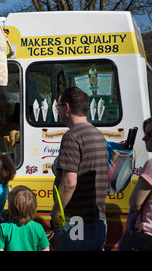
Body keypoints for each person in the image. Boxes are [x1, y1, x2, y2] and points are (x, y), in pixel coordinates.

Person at [50, 87, 108, 251]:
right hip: (97, 219)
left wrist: (56, 213)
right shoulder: (97, 134)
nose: (58, 111)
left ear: (66, 108)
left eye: (58, 107)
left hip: (75, 220)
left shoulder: (72, 136)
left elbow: (69, 183)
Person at [118, 117, 152, 250]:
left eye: (149, 134)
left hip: (146, 238)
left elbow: (135, 203)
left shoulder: (151, 164)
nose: (144, 139)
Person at [0, 185, 50, 251]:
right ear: (34, 208)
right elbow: (45, 249)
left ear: (11, 209)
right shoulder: (38, 228)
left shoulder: (3, 228)